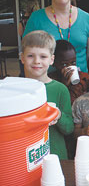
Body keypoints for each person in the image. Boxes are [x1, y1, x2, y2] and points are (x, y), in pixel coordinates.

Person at [21, 30, 74, 159]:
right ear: (22, 57)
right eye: (30, 56)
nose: (36, 61)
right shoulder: (16, 90)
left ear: (52, 59)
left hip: (56, 156)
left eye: (43, 56)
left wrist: (58, 114)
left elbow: (69, 129)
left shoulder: (60, 90)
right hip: (25, 156)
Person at [49, 39, 89, 105]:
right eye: (64, 64)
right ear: (54, 63)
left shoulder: (85, 78)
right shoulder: (51, 81)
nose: (70, 67)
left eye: (73, 63)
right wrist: (63, 85)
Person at [18, 0, 40, 77]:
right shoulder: (38, 18)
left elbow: (20, 33)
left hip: (26, 46)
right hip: (38, 45)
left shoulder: (23, 20)